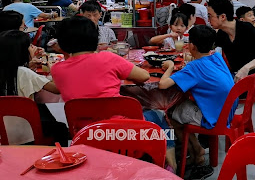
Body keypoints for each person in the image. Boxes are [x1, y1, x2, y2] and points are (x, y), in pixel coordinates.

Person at [51, 17, 177, 170]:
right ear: (94, 38)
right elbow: (144, 76)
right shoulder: (107, 58)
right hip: (123, 134)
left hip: (86, 136)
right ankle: (169, 165)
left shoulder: (57, 70)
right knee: (158, 115)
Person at [159, 25, 236, 180]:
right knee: (182, 105)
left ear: (191, 46)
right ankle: (195, 149)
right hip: (226, 110)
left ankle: (196, 152)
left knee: (169, 114)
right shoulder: (216, 57)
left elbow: (163, 84)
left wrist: (170, 67)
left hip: (215, 117)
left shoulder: (194, 67)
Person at [0, 30, 68, 145]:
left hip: (3, 131)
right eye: (30, 46)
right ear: (21, 51)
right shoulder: (24, 73)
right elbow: (57, 89)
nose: (33, 48)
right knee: (61, 128)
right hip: (26, 132)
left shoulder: (10, 71)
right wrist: (53, 70)